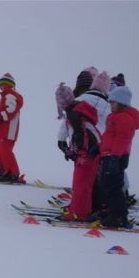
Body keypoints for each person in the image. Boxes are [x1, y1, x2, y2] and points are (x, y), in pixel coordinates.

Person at [61, 70, 111, 221]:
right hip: (97, 147)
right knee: (91, 180)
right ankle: (91, 207)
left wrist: (62, 140)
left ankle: (79, 212)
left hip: (81, 146)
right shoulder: (107, 105)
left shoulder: (80, 100)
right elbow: (108, 128)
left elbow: (67, 122)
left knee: (81, 180)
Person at [97, 86, 139, 227]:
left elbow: (122, 139)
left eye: (114, 102)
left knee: (113, 186)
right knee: (106, 185)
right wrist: (98, 148)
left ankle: (119, 217)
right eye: (110, 102)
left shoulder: (124, 118)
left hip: (116, 157)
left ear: (122, 103)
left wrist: (115, 157)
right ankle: (113, 212)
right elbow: (108, 137)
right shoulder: (114, 116)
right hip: (109, 155)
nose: (111, 105)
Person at [0, 73, 24, 183]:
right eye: (0, 84)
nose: (1, 86)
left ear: (8, 84)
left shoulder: (11, 94)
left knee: (5, 151)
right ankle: (2, 171)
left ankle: (12, 173)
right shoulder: (6, 95)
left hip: (8, 130)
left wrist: (0, 117)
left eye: (3, 84)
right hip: (2, 129)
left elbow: (12, 109)